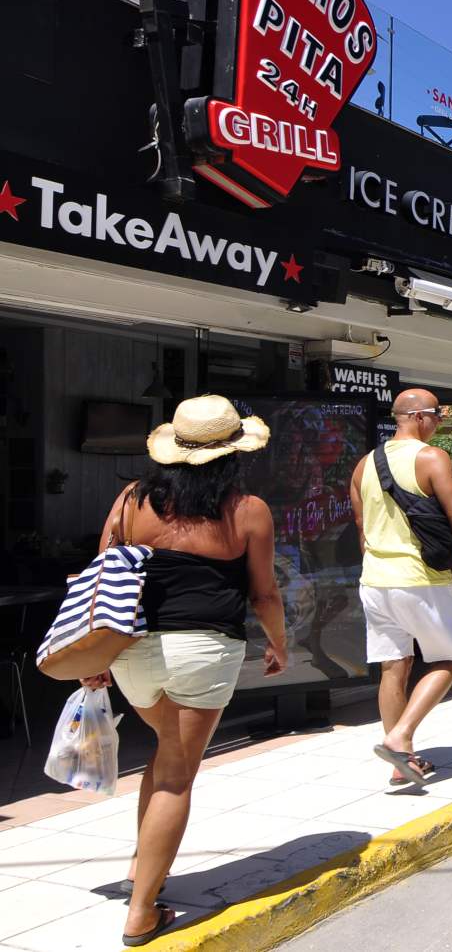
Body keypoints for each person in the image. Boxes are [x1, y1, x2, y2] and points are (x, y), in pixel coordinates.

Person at [79, 395, 287, 945]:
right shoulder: (248, 510)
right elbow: (264, 594)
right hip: (204, 651)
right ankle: (141, 912)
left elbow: (102, 575)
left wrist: (94, 657)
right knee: (176, 775)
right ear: (233, 454)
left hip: (133, 652)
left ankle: (141, 868)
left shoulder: (132, 500)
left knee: (164, 756)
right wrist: (280, 644)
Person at [350, 389, 452, 786]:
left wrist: (378, 564)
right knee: (451, 659)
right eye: (438, 415)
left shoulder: (364, 465)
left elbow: (362, 527)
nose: (439, 422)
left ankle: (400, 761)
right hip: (422, 580)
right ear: (419, 417)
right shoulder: (432, 458)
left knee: (394, 666)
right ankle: (400, 736)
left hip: (375, 580)